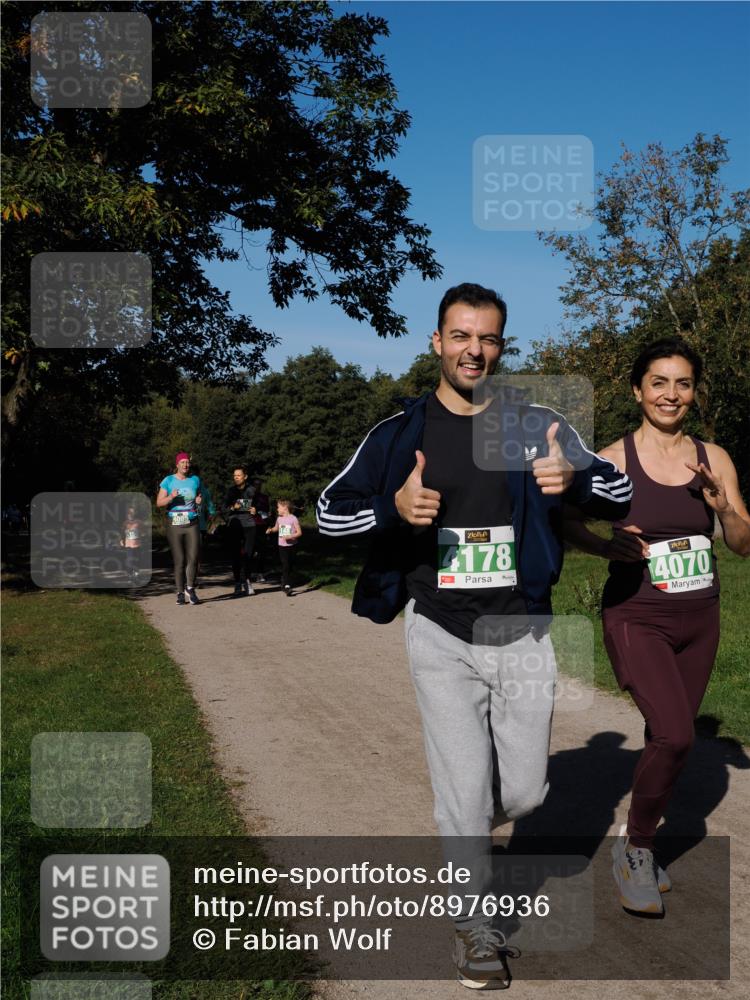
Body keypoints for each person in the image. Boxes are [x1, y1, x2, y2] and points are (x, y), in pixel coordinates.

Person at [316, 282, 633, 988]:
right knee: (463, 791)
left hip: (522, 631)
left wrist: (574, 479)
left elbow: (620, 492)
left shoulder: (536, 423)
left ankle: (461, 826)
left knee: (524, 794)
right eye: (460, 335)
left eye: (487, 338)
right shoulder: (400, 432)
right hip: (440, 629)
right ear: (436, 341)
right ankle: (471, 925)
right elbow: (330, 513)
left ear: (501, 346)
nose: (474, 350)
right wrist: (393, 509)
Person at [563, 338, 750, 916]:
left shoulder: (714, 458)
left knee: (666, 736)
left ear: (694, 392)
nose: (671, 394)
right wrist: (606, 546)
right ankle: (638, 849)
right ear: (637, 389)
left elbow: (743, 543)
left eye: (683, 383)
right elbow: (566, 521)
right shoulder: (610, 461)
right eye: (659, 382)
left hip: (701, 616)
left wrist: (722, 508)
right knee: (675, 735)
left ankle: (637, 836)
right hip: (637, 614)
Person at [156, 452, 203, 605]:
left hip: (192, 522)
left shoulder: (195, 480)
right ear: (177, 464)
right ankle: (180, 593)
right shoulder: (168, 480)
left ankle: (190, 588)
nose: (185, 465)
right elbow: (159, 502)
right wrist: (171, 497)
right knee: (180, 560)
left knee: (193, 558)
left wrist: (198, 500)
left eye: (187, 462)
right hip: (174, 524)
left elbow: (199, 495)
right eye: (182, 462)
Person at [223, 466, 257, 596]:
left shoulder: (252, 490)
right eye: (234, 475)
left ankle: (247, 581)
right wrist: (233, 507)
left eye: (238, 475)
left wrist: (255, 510)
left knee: (249, 554)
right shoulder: (230, 491)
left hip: (249, 525)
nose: (236, 477)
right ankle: (237, 582)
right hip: (235, 525)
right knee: (235, 554)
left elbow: (262, 506)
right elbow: (223, 508)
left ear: (245, 476)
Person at [266, 499, 302, 595]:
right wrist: (271, 530)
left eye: (278, 507)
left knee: (290, 565)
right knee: (285, 565)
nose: (277, 509)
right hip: (282, 546)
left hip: (292, 546)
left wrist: (290, 536)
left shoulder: (293, 518)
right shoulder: (279, 519)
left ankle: (284, 581)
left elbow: (299, 532)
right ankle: (287, 586)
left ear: (285, 508)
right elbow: (276, 528)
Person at [250, 476, 271, 582]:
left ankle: (260, 573)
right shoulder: (245, 496)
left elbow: (266, 510)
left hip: (261, 525)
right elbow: (240, 509)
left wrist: (258, 509)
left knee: (262, 550)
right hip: (248, 525)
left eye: (259, 485)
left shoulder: (264, 497)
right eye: (255, 485)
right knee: (249, 550)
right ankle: (248, 573)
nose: (257, 487)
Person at [120, 503, 144, 585]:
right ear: (127, 514)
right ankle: (130, 576)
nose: (131, 514)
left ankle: (136, 574)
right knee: (129, 561)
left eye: (132, 513)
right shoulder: (125, 523)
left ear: (135, 514)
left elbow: (143, 531)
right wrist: (121, 540)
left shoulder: (139, 522)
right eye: (129, 513)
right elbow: (122, 532)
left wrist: (142, 535)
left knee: (137, 560)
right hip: (129, 545)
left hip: (137, 545)